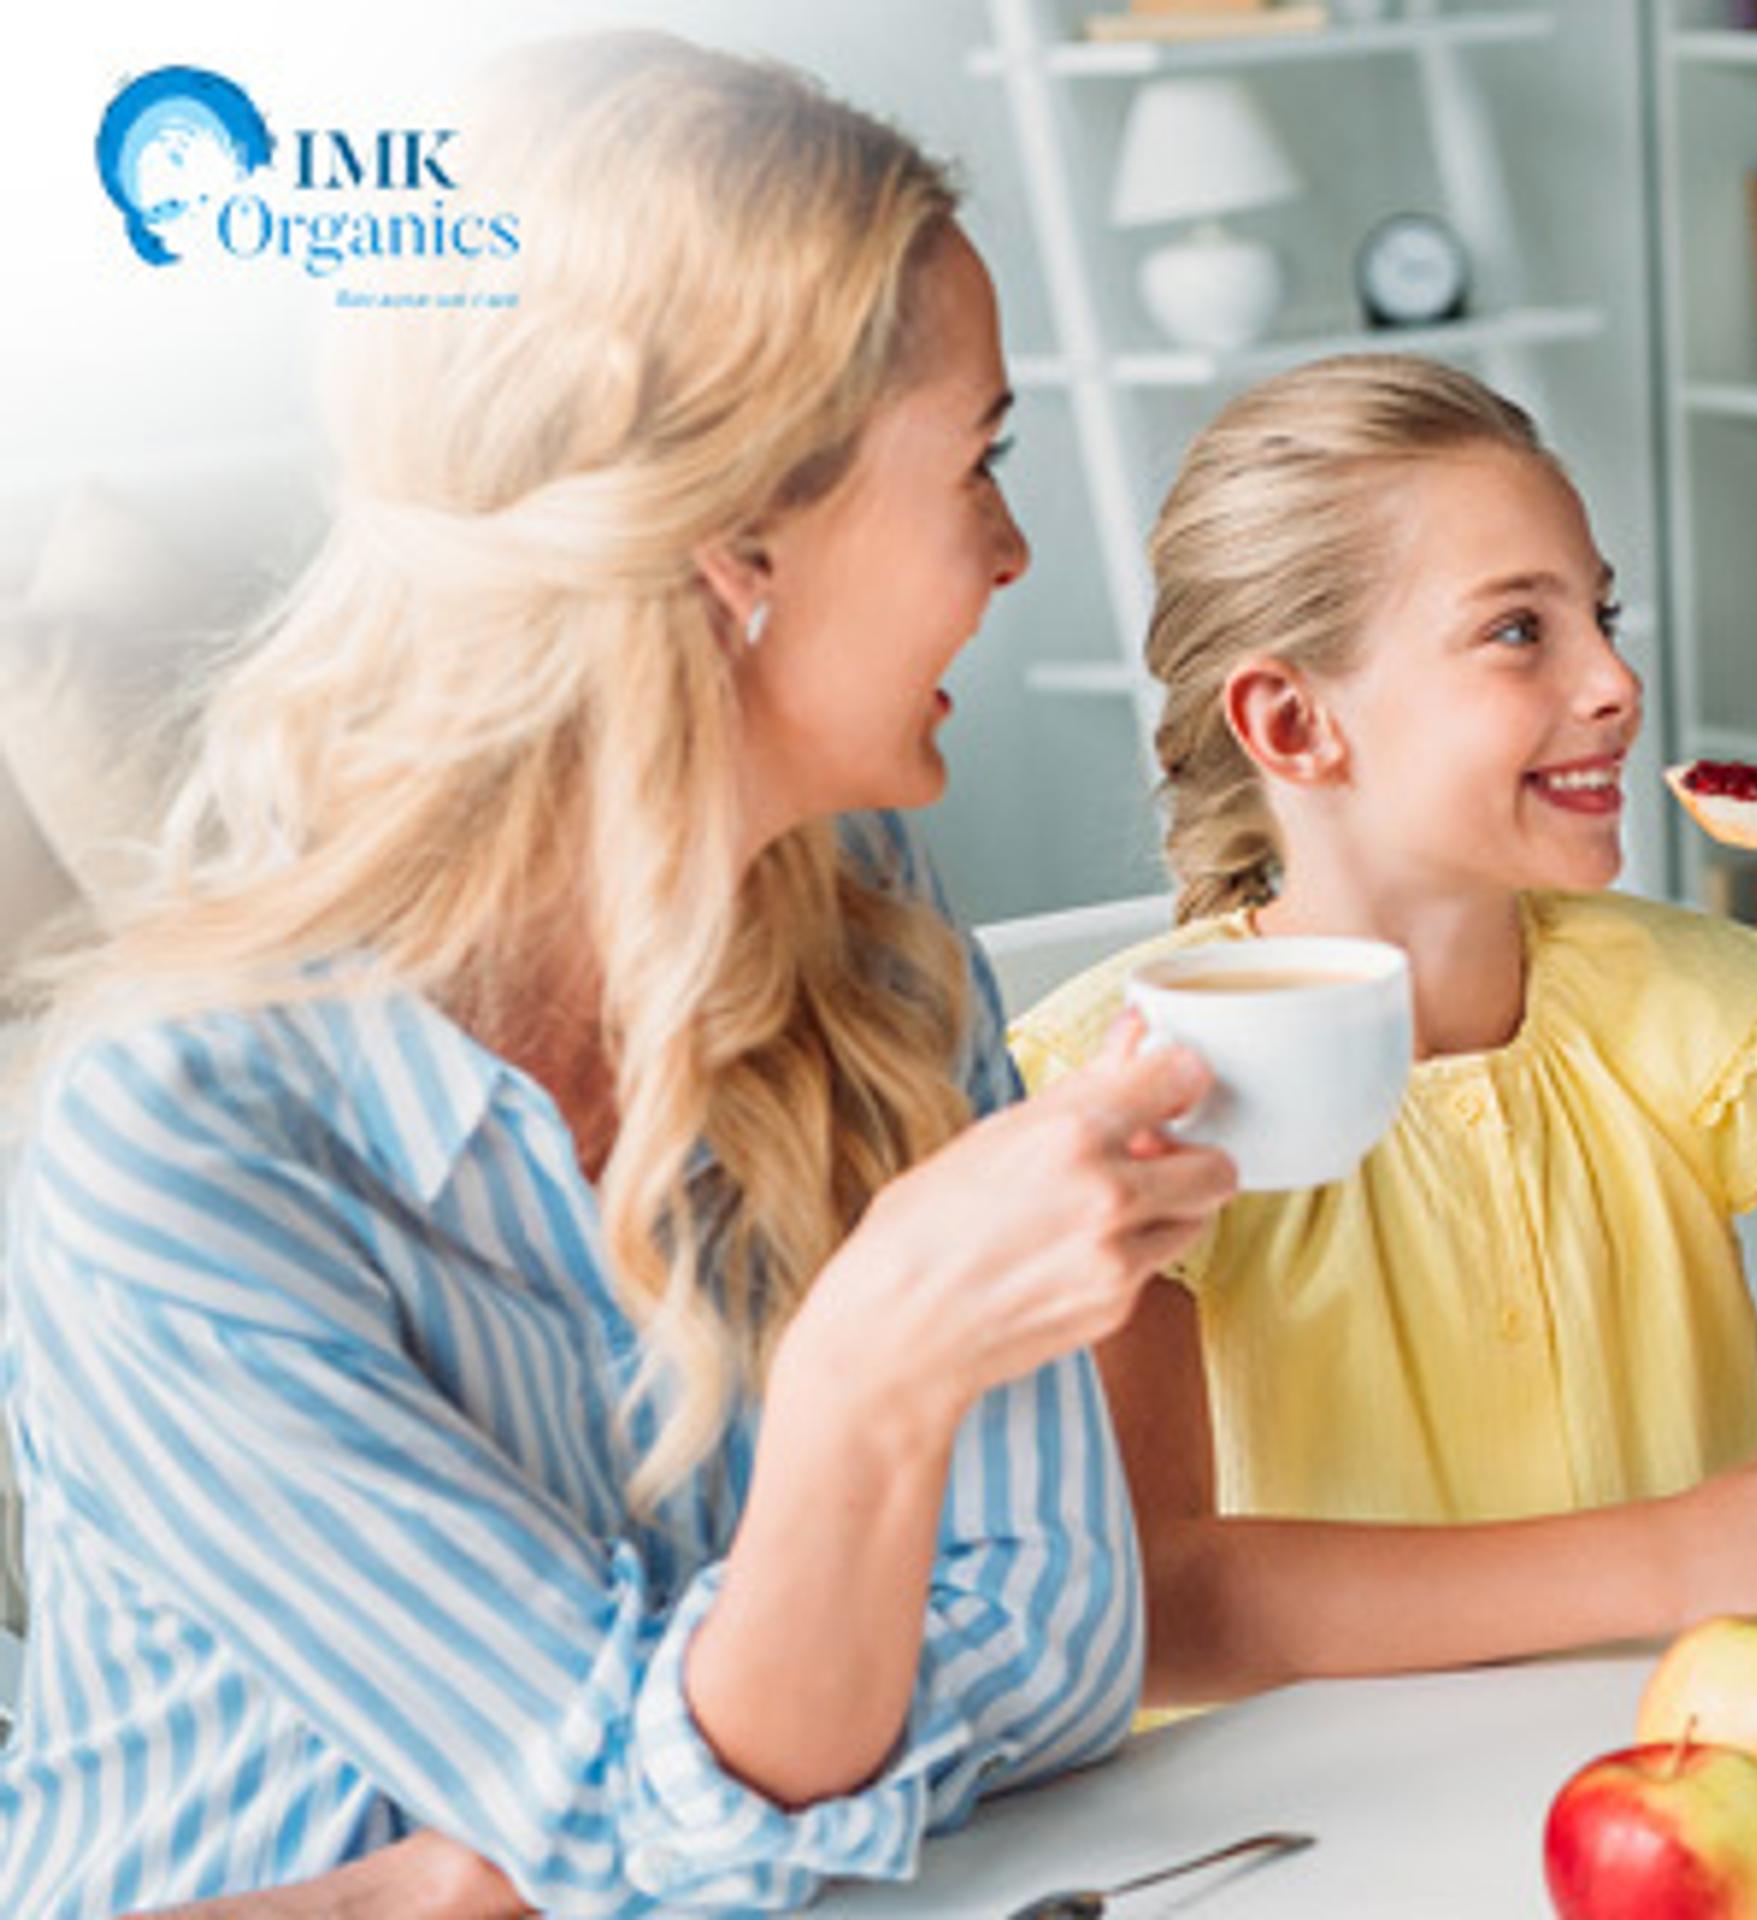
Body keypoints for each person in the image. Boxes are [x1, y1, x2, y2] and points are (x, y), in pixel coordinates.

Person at [0, 34, 1233, 1915]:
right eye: (975, 462)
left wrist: (519, 1856)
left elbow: (1060, 1649)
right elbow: (627, 1835)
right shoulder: (174, 1152)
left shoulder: (871, 930)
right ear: (734, 538)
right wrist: (868, 1381)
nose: (1012, 549)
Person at [1009, 355, 1757, 1699]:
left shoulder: (1693, 1006)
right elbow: (1151, 1610)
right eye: (1520, 631)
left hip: (1699, 1757)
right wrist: (1684, 1555)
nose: (1616, 680)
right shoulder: (1121, 1089)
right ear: (1293, 721)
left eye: (1601, 615)